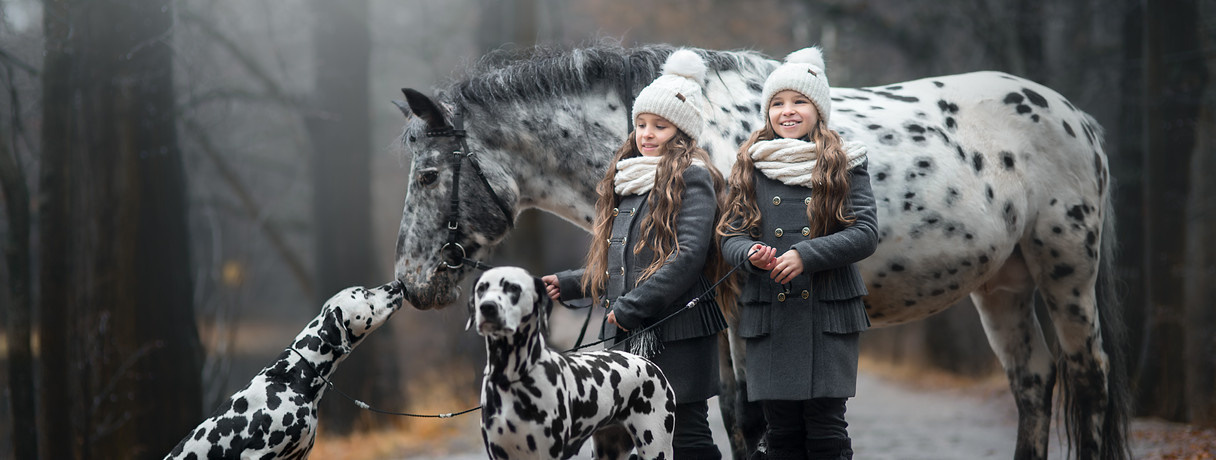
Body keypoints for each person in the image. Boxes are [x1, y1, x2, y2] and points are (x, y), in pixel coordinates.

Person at [542, 48, 729, 460]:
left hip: (678, 330)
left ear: (681, 133)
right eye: (641, 124)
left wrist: (633, 307)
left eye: (660, 126)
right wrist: (571, 283)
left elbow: (688, 257)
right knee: (637, 436)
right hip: (631, 330)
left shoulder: (692, 178)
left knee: (687, 435)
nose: (647, 133)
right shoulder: (629, 181)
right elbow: (624, 264)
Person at [717, 46, 878, 460]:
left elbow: (865, 234)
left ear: (818, 110)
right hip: (771, 314)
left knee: (826, 433)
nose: (787, 111)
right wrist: (749, 252)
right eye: (777, 103)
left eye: (799, 101)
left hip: (826, 313)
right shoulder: (750, 164)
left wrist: (807, 254)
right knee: (782, 434)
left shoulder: (846, 162)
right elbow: (730, 235)